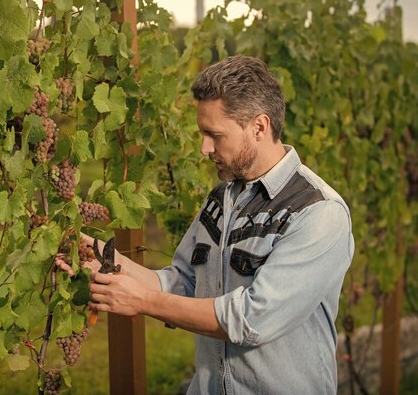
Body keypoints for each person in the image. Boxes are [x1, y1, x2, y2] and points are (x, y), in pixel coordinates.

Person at [59, 55, 354, 395]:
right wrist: (103, 260)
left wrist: (142, 300)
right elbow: (183, 282)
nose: (204, 148)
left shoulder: (317, 212)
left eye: (214, 135)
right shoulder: (222, 198)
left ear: (259, 127)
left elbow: (251, 318)